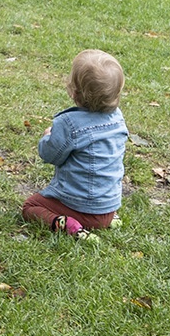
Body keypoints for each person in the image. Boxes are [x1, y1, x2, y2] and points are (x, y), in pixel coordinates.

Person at [20, 49, 127, 238]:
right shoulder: (117, 119)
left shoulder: (69, 124)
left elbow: (50, 155)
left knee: (30, 206)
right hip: (108, 207)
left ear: (75, 92)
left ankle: (66, 224)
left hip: (80, 207)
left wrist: (47, 137)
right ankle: (109, 220)